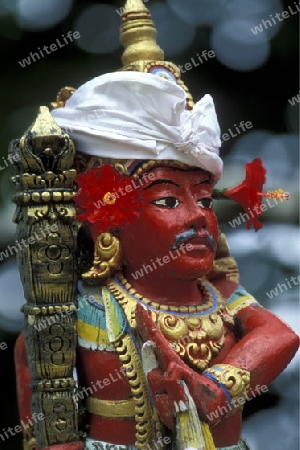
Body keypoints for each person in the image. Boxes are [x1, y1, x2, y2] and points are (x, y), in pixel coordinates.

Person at [13, 1, 299, 450]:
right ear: (109, 219)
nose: (198, 217)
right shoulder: (88, 309)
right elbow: (35, 369)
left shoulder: (219, 297)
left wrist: (217, 388)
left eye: (205, 199)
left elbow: (281, 335)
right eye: (167, 199)